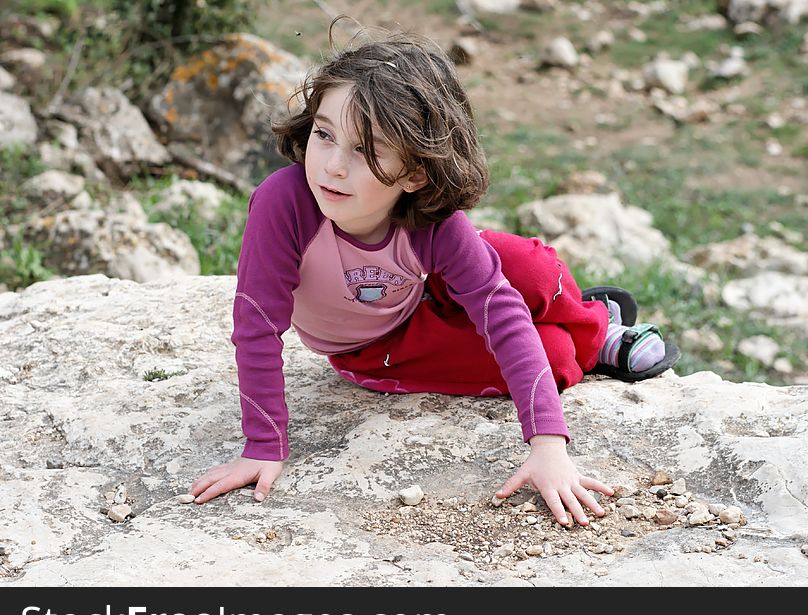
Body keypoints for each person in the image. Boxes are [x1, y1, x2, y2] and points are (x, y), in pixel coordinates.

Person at [190, 21, 679, 527]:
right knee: (553, 355)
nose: (333, 165)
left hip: (430, 284)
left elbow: (500, 310)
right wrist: (263, 447)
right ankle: (586, 341)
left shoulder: (435, 221)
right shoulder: (284, 204)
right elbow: (258, 325)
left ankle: (596, 324)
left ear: (416, 173)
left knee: (532, 270)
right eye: (324, 134)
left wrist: (549, 446)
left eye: (366, 149)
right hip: (380, 344)